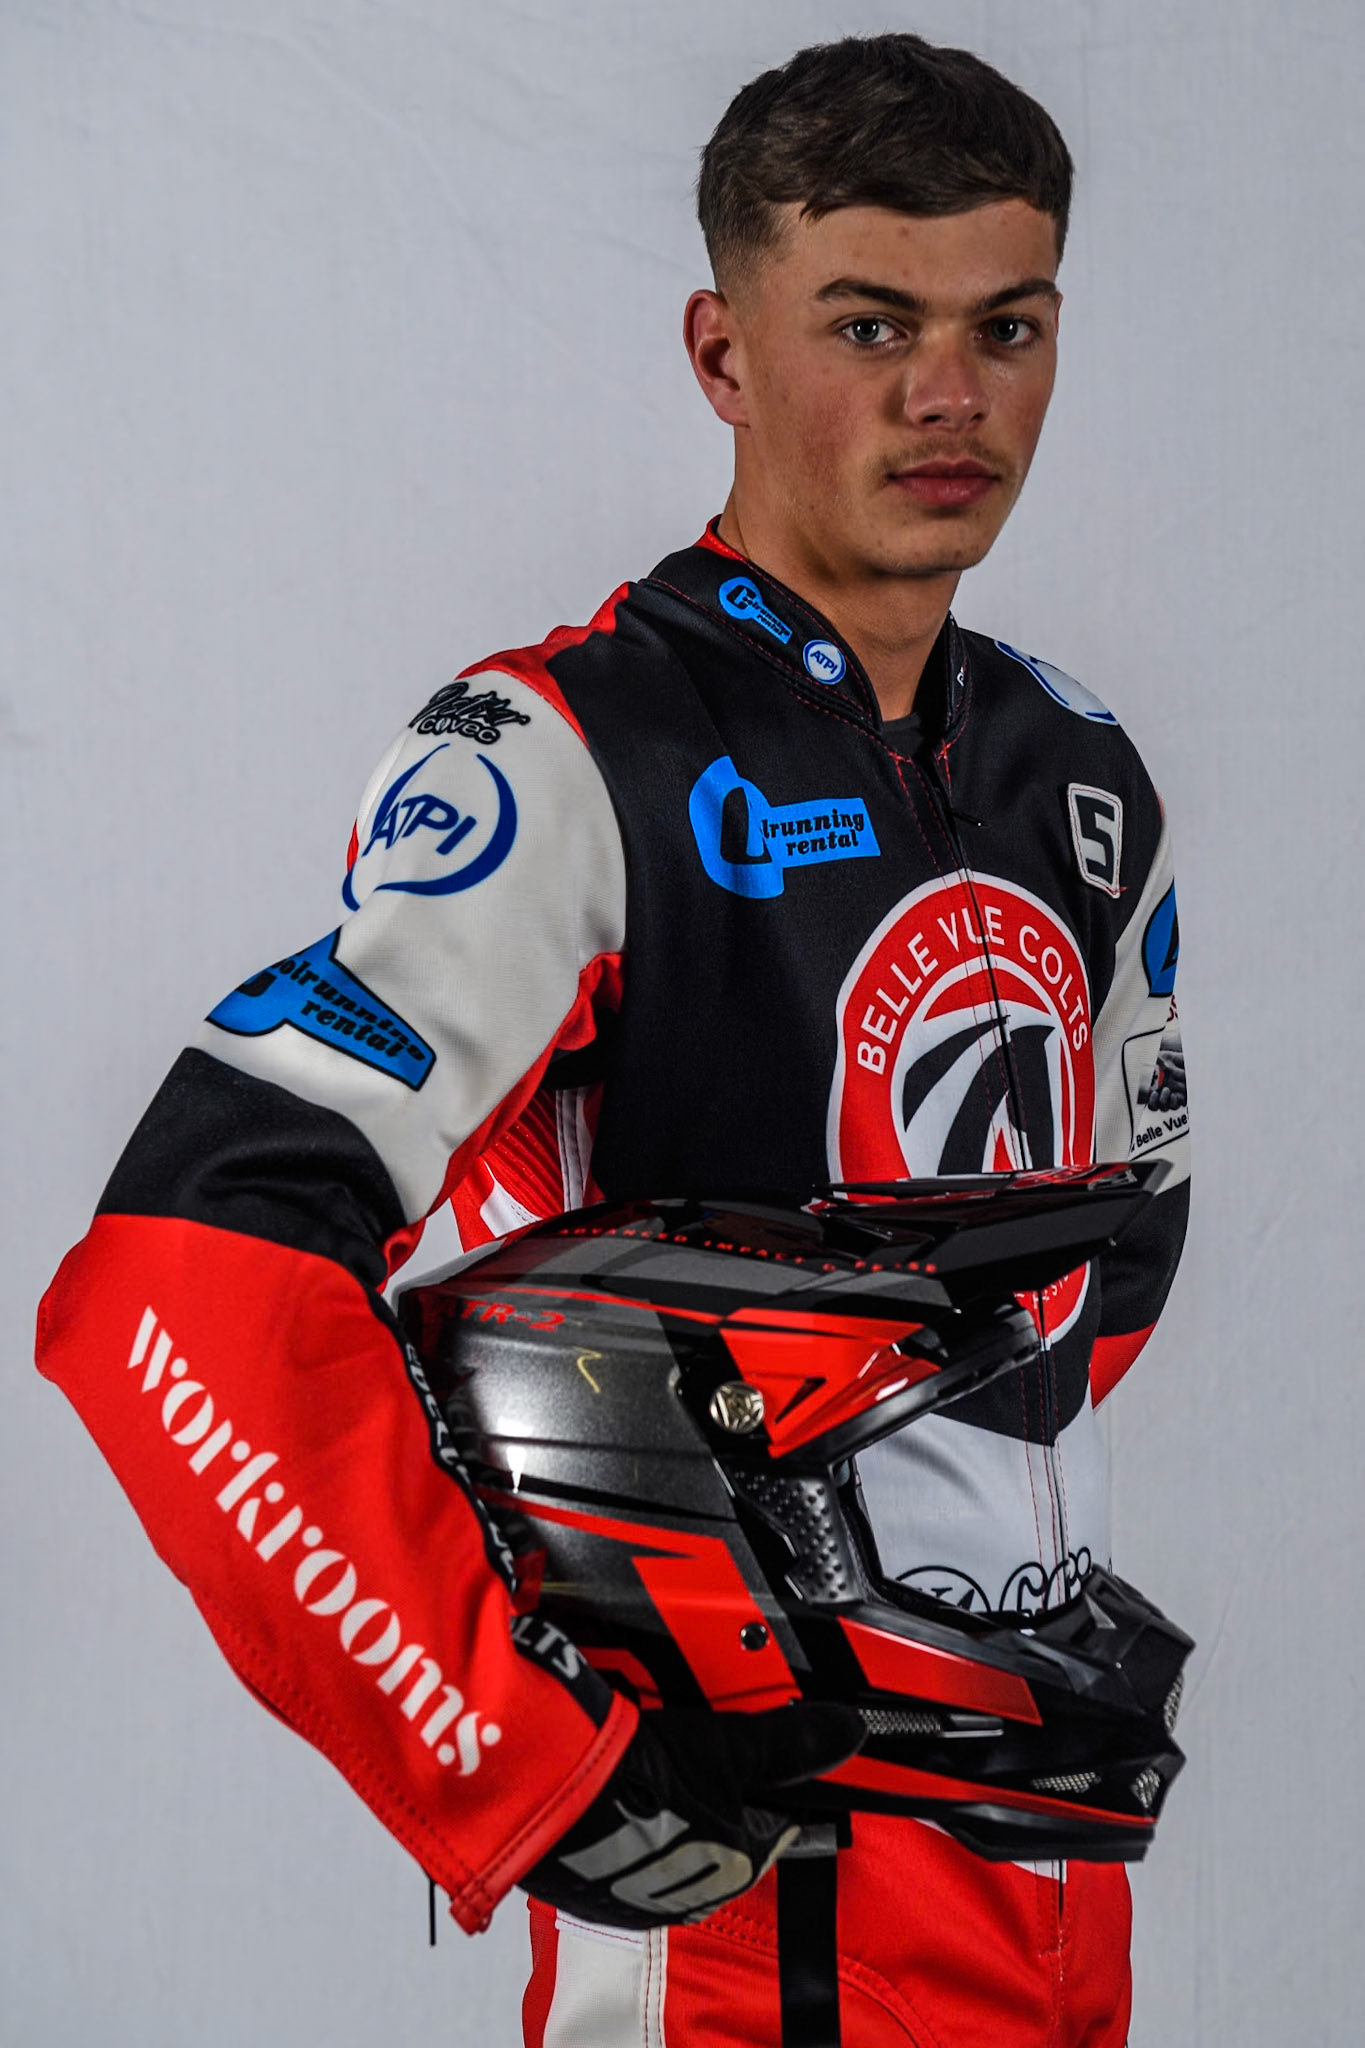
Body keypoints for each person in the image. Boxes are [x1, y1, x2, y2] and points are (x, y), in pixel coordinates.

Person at [36, 32, 1190, 2048]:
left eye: (1004, 327)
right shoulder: (572, 753)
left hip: (1033, 1847)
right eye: (869, 325)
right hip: (744, 1906)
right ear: (721, 353)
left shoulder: (1076, 772)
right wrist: (516, 1752)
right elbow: (180, 1282)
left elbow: (1087, 1304)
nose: (948, 394)